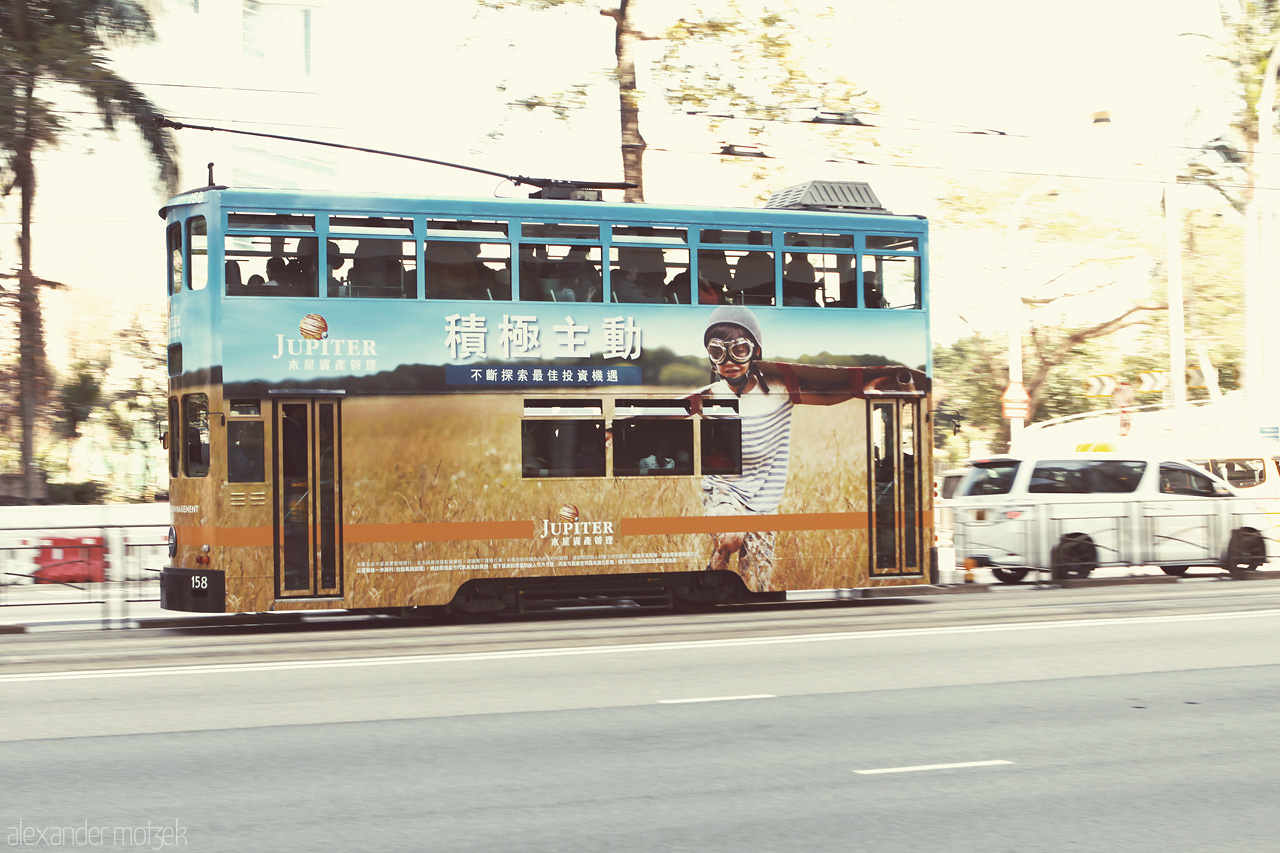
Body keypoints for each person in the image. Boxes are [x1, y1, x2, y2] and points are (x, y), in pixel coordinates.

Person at [695, 306, 792, 591]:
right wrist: (616, 427)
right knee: (731, 534)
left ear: (755, 351)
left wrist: (867, 384)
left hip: (764, 502)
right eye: (717, 352)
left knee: (757, 585)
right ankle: (719, 558)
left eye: (738, 349)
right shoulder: (710, 395)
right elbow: (668, 409)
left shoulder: (780, 390)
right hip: (724, 492)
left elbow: (828, 393)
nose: (729, 362)